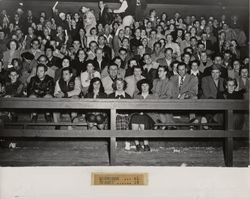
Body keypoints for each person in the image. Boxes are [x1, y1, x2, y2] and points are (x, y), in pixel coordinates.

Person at [130, 79, 156, 152]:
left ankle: (145, 143)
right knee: (135, 118)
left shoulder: (154, 95)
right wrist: (139, 112)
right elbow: (132, 107)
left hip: (150, 116)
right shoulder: (136, 95)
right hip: (137, 115)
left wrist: (144, 112)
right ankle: (137, 144)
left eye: (146, 85)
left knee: (142, 118)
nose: (144, 87)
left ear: (149, 86)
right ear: (140, 87)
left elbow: (155, 108)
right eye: (142, 85)